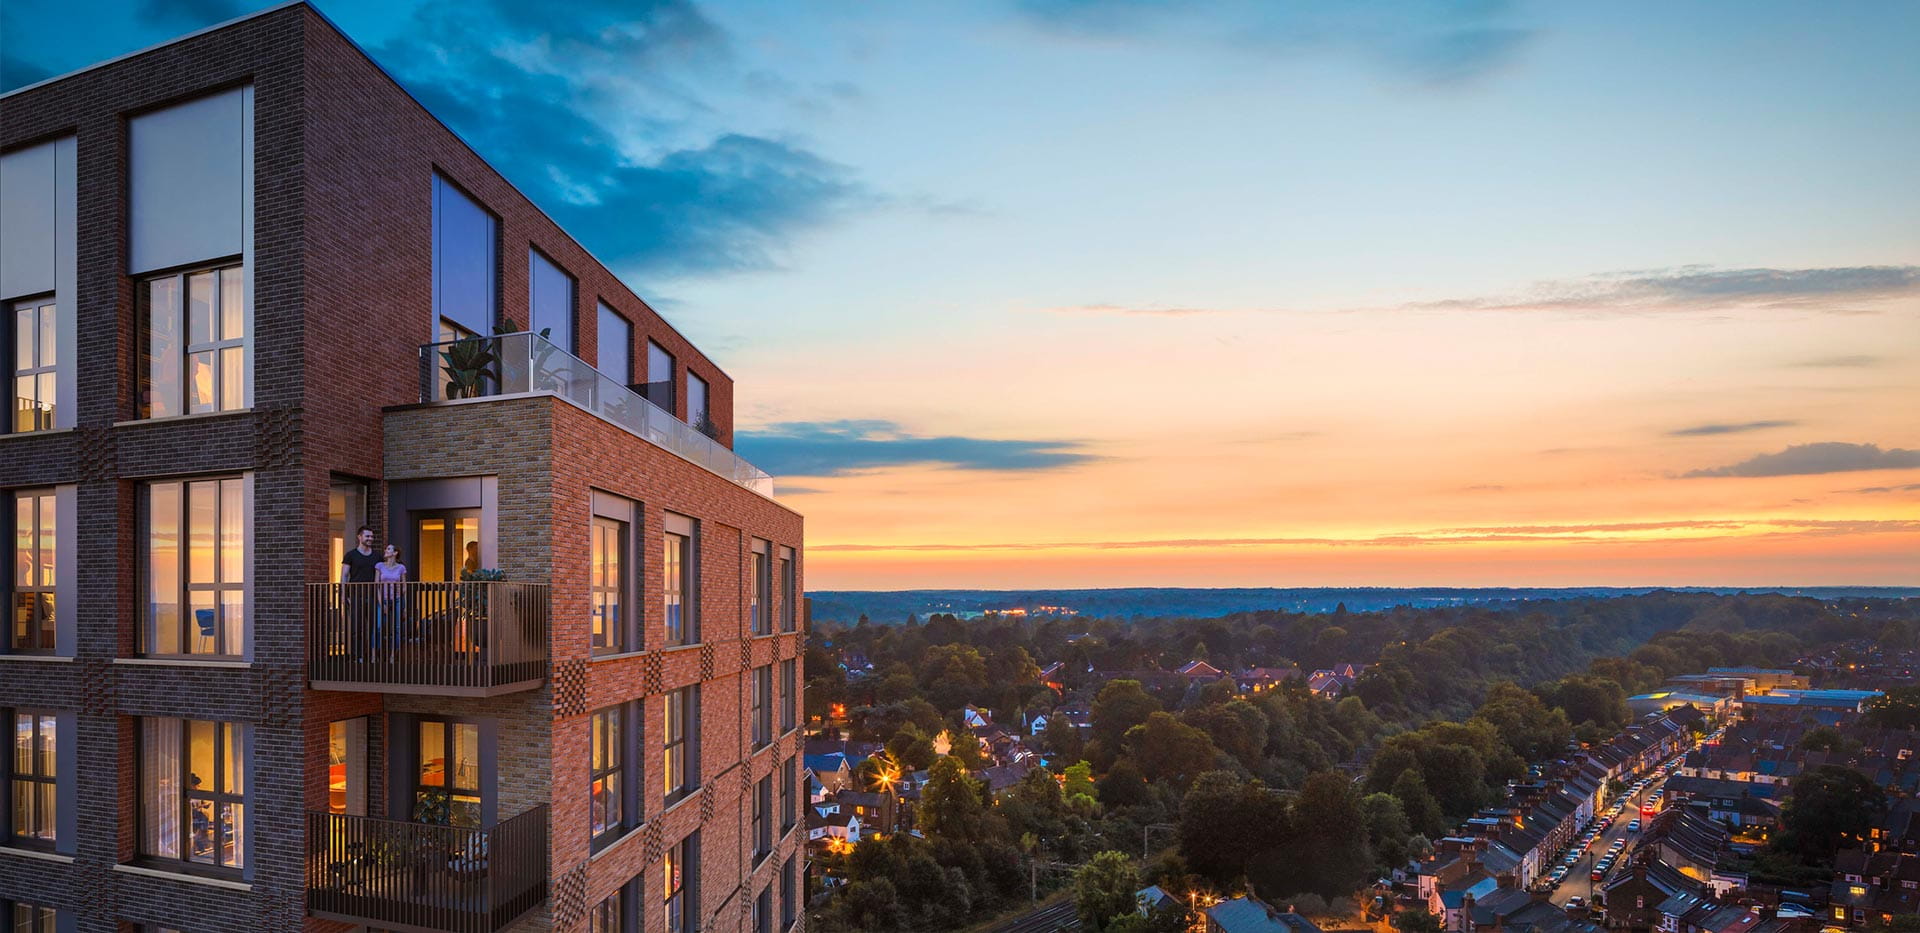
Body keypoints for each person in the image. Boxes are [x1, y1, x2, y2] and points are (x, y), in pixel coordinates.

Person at [376, 545, 407, 651]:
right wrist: (381, 603)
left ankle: (394, 654)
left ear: (395, 553)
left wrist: (404, 606)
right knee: (379, 627)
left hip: (397, 599)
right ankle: (375, 653)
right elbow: (377, 586)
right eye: (386, 548)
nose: (386, 550)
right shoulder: (379, 566)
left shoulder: (401, 568)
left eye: (389, 549)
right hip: (383, 599)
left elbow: (404, 587)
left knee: (397, 628)